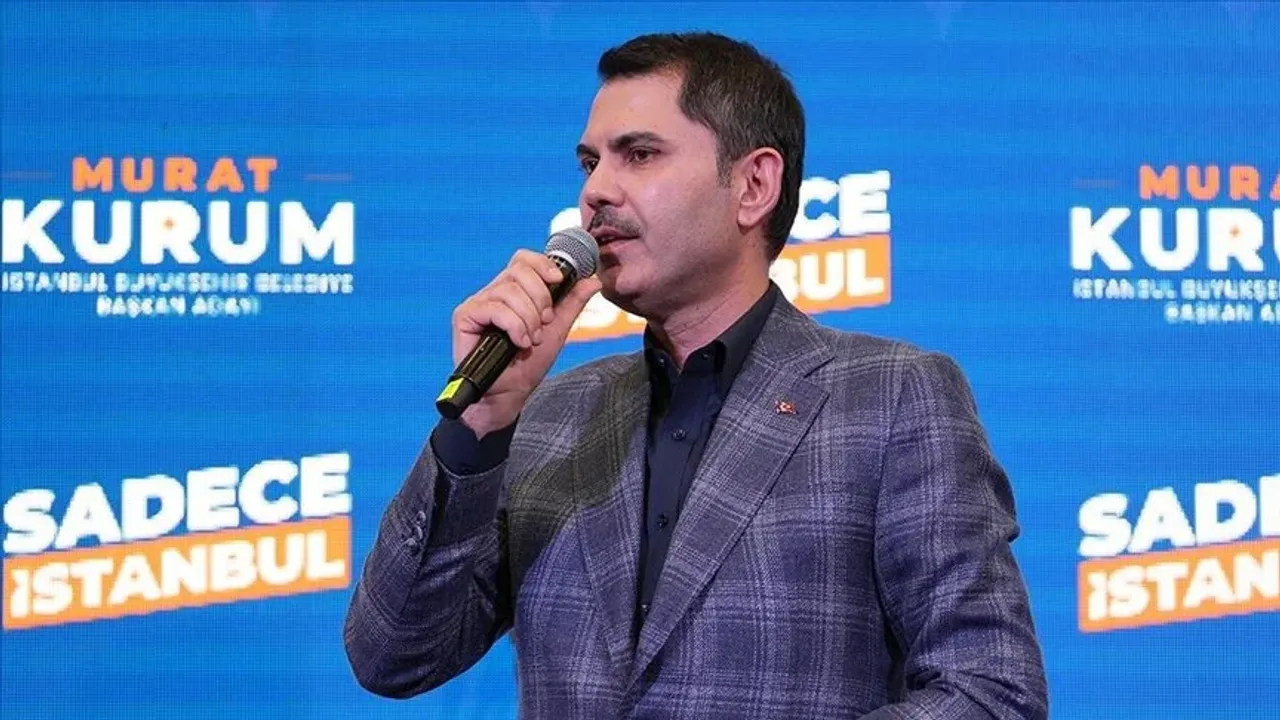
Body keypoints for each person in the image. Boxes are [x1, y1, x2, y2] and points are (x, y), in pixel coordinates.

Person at [344, 31, 1049, 719]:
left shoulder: (892, 397)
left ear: (753, 185)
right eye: (589, 163)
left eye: (639, 155)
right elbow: (393, 656)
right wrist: (480, 427)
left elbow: (991, 693)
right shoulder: (552, 414)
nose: (596, 192)